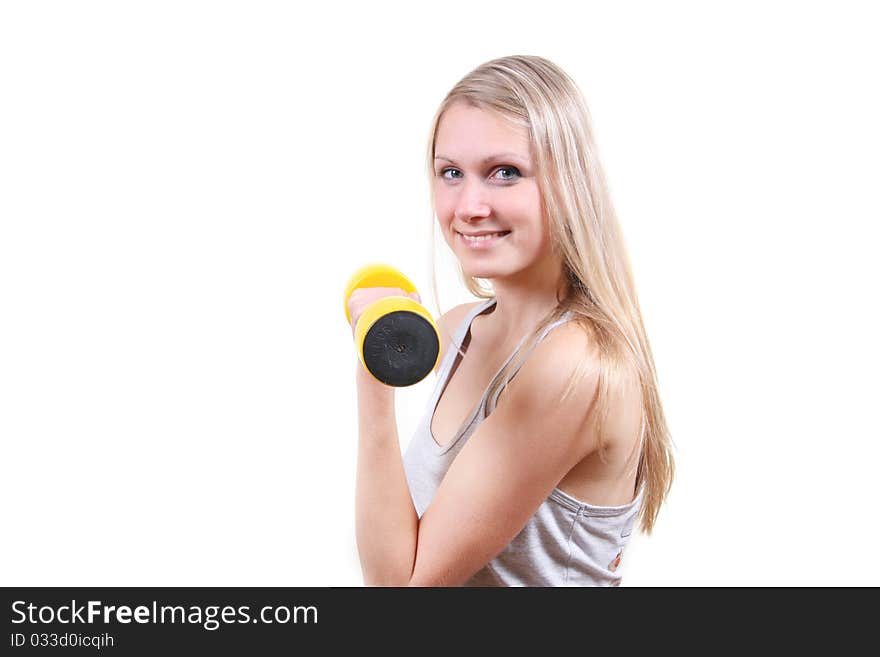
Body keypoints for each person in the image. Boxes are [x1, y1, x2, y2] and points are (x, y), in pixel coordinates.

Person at [347, 55, 674, 586]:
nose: (469, 206)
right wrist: (384, 348)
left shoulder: (573, 366)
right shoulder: (458, 329)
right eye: (451, 173)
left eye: (505, 173)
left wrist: (373, 379)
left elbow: (397, 588)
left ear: (569, 184)